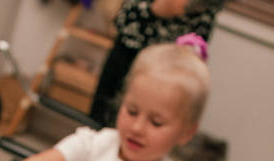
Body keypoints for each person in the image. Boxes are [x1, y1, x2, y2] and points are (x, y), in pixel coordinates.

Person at [0, 34, 210, 161]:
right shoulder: (93, 144)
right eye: (132, 111)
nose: (137, 128)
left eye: (156, 122)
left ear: (186, 133)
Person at [90, 0, 225, 126]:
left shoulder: (205, 14)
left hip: (168, 72)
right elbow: (123, 19)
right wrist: (156, 10)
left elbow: (193, 54)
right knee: (101, 116)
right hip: (128, 52)